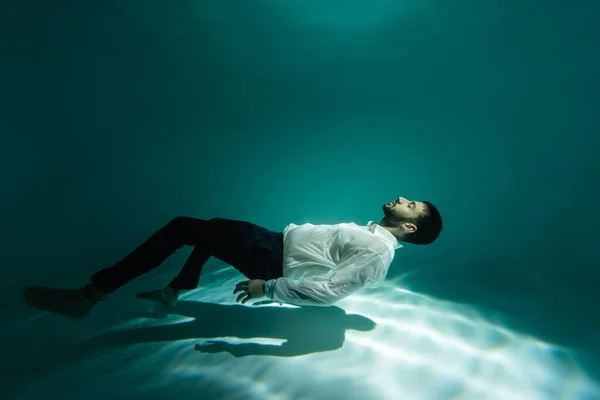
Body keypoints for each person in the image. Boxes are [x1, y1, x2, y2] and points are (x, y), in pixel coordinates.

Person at [23, 196, 443, 319]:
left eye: (413, 205)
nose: (404, 199)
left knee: (184, 226)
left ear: (410, 227)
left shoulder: (377, 252)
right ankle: (175, 290)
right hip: (272, 240)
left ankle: (90, 295)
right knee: (210, 228)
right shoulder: (373, 236)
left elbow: (332, 291)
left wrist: (269, 288)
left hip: (271, 260)